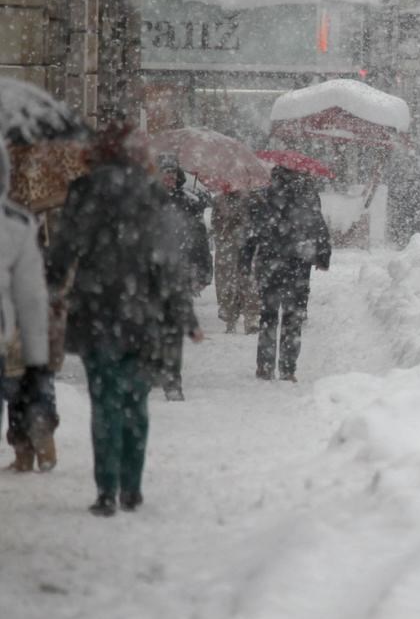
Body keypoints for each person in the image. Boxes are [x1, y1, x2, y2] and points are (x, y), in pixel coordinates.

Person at [47, 124, 200, 516]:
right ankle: (132, 485)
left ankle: (106, 490)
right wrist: (183, 314)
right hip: (142, 315)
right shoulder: (151, 194)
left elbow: (64, 249)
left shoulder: (84, 191)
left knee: (104, 402)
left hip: (97, 312)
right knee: (135, 400)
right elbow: (168, 259)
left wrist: (49, 288)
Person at [241, 165, 331, 382]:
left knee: (268, 316)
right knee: (293, 318)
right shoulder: (308, 197)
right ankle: (288, 368)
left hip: (270, 264)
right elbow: (319, 228)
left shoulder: (262, 198)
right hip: (298, 266)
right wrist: (323, 257)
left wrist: (244, 261)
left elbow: (250, 234)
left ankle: (265, 365)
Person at [0, 146, 55, 473]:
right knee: (26, 380)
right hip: (18, 314)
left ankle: (28, 442)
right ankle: (38, 436)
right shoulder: (24, 216)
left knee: (22, 379)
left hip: (19, 309)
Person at [155, 156, 213, 401]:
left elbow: (199, 239)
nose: (167, 178)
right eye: (163, 173)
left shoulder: (187, 202)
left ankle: (172, 381)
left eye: (171, 173)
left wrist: (202, 270)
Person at [212, 189, 261, 334]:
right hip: (226, 247)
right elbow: (216, 224)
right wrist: (225, 226)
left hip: (246, 246)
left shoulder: (252, 199)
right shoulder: (219, 200)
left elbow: (256, 221)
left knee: (248, 283)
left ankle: (251, 319)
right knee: (226, 284)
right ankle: (230, 319)